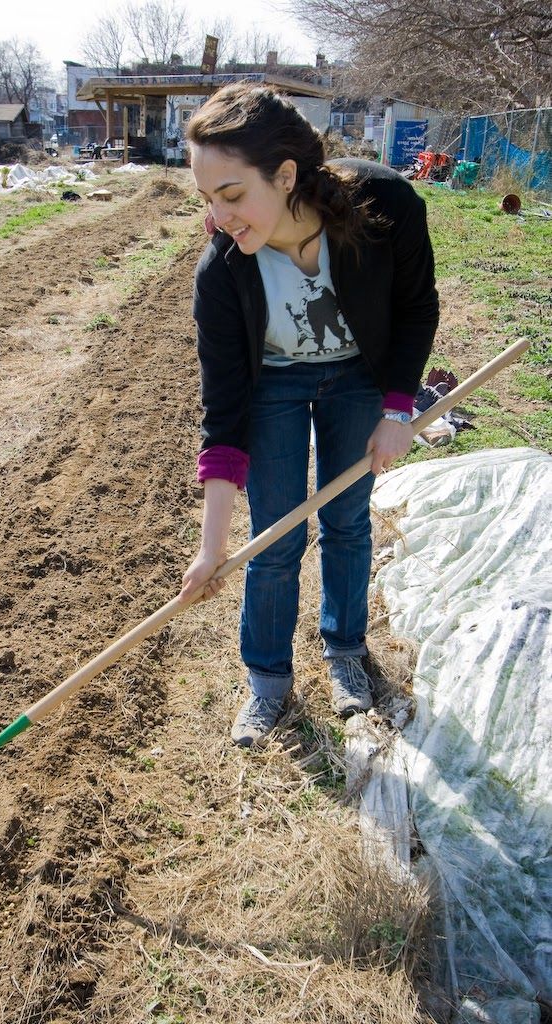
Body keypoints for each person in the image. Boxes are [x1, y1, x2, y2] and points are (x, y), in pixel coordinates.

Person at [179, 83, 439, 747]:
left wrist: (397, 409)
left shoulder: (383, 208)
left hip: (357, 377)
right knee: (274, 537)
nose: (216, 217)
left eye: (231, 195)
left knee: (345, 520)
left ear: (286, 174)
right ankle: (267, 681)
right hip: (274, 387)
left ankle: (344, 654)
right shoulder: (223, 272)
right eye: (206, 198)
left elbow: (415, 308)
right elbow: (224, 410)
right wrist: (211, 547)